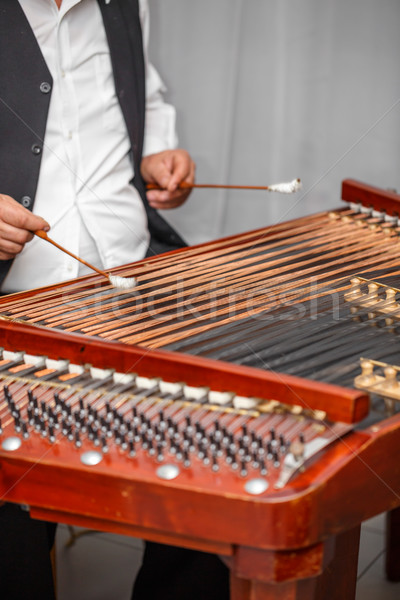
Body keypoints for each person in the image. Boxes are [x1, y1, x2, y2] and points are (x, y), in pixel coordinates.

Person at [0, 0, 229, 598]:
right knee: (10, 521)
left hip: (136, 279)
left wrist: (156, 150)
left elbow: (138, 93)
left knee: (210, 472)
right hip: (13, 305)